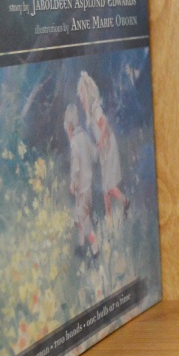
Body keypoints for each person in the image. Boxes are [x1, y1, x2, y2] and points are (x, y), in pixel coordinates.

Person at [78, 71, 128, 217]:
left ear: (88, 96)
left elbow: (104, 122)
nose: (82, 102)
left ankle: (125, 201)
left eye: (83, 99)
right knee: (105, 187)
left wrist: (100, 141)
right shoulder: (90, 114)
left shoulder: (95, 109)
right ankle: (109, 215)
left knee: (109, 186)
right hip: (104, 150)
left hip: (109, 146)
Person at [65, 103, 99, 255]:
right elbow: (94, 155)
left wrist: (73, 183)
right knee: (79, 216)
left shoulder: (74, 142)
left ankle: (96, 248)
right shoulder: (85, 135)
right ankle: (81, 244)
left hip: (81, 188)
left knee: (83, 219)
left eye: (67, 129)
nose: (67, 132)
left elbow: (75, 166)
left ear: (70, 126)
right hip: (89, 184)